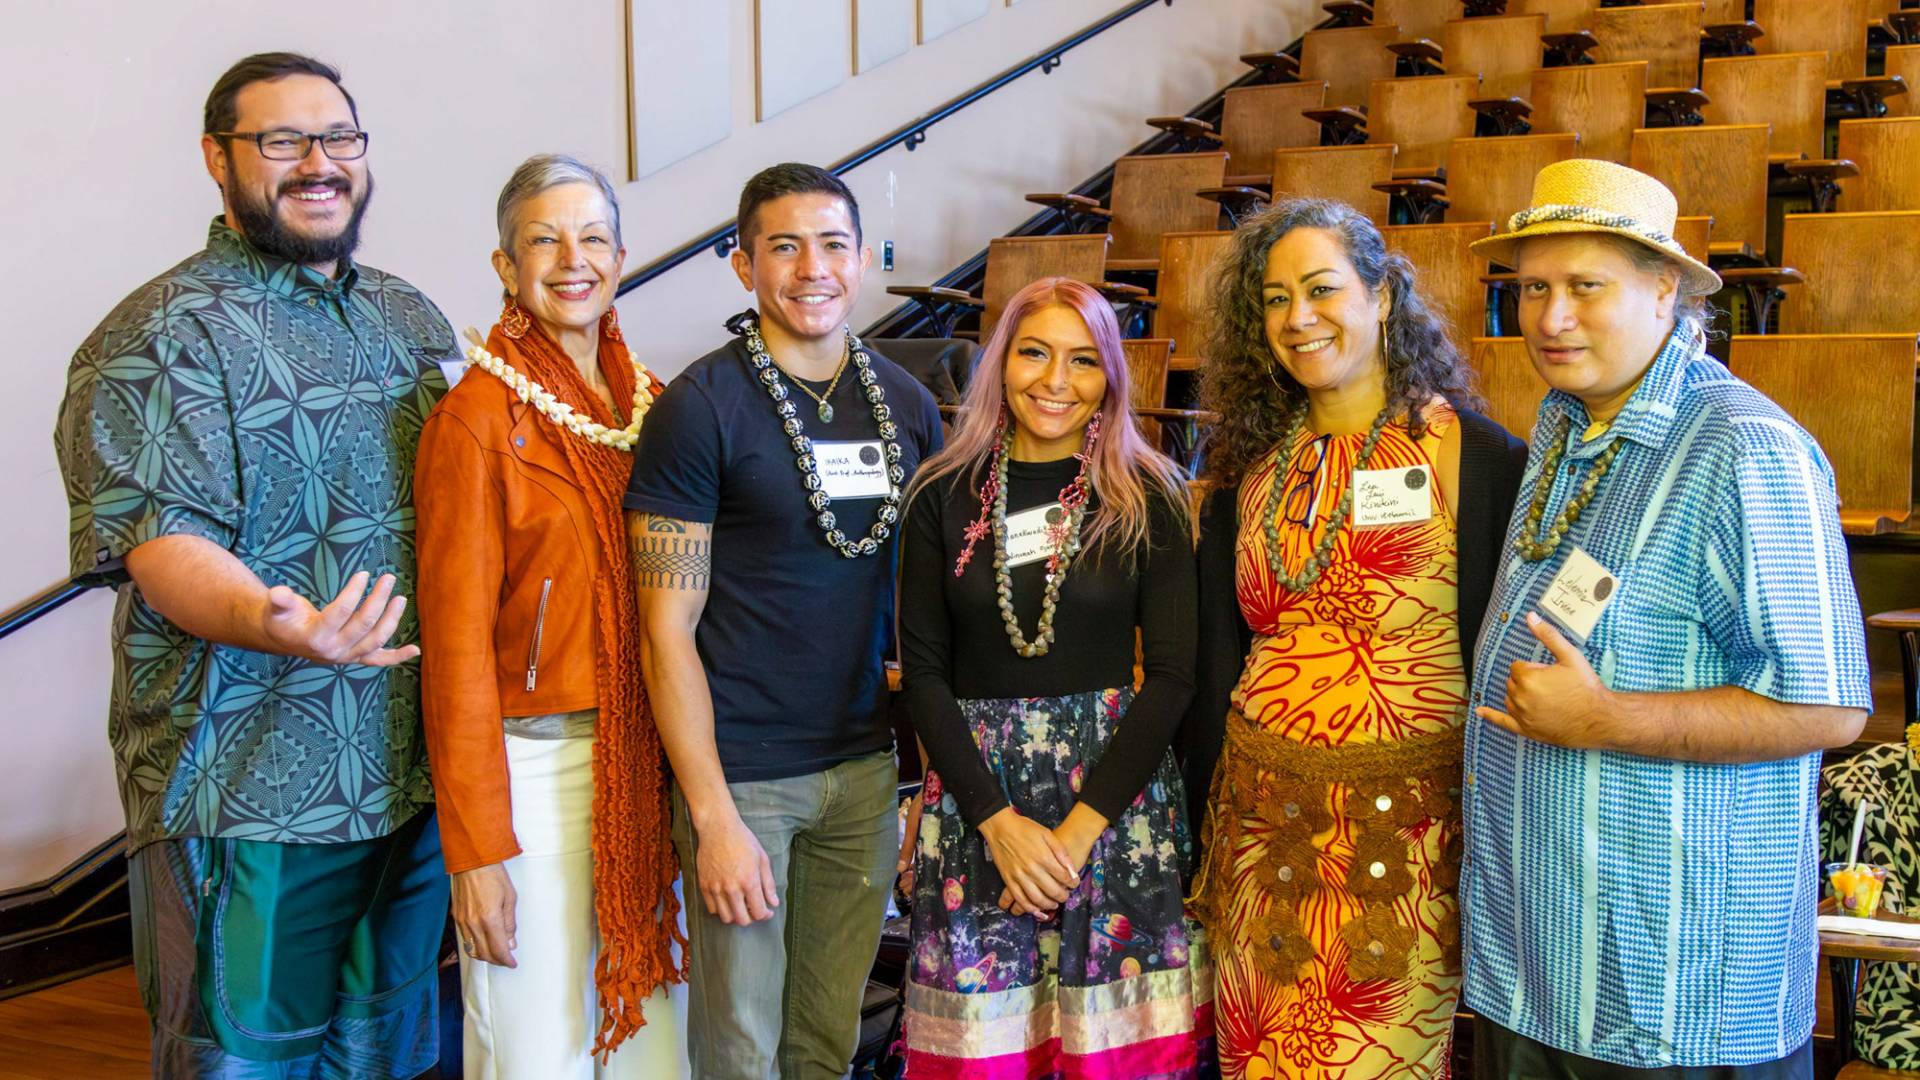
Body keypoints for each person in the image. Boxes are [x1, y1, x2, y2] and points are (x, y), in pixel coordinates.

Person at [52, 52, 454, 1075]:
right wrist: (280, 622)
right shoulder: (158, 334)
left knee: (389, 1052)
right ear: (217, 158)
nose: (318, 163)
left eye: (339, 139)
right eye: (282, 141)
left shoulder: (410, 319)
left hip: (411, 771)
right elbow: (163, 546)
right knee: (243, 1059)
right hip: (246, 788)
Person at [1460, 159, 1872, 1077]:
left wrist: (1608, 720)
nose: (1550, 317)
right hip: (1536, 970)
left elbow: (1832, 709)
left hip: (1671, 1001)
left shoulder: (1745, 447)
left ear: (1664, 289)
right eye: (1532, 288)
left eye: (1584, 287)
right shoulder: (1568, 423)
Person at [1183, 198, 1528, 1079]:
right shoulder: (1247, 467)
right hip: (1267, 843)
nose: (1298, 318)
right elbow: (1223, 653)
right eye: (1274, 298)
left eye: (1322, 289)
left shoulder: (1477, 457)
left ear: (1382, 297)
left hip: (1405, 855)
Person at [623, 162, 943, 1079]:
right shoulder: (699, 409)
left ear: (861, 259)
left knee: (827, 1040)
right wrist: (712, 813)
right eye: (786, 247)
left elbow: (926, 609)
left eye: (834, 245)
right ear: (743, 265)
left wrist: (924, 784)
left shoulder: (907, 405)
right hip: (748, 781)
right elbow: (666, 632)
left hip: (863, 773)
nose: (814, 268)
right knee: (740, 1047)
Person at [413, 154, 686, 1077]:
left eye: (594, 237)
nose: (574, 258)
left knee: (656, 1051)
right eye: (544, 238)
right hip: (538, 776)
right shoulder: (477, 418)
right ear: (504, 265)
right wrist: (476, 853)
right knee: (539, 1052)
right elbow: (451, 652)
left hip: (649, 764)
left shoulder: (654, 402)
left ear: (621, 255)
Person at [895, 277, 1210, 1076]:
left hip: (1111, 805)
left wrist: (1072, 837)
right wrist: (998, 822)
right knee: (987, 1053)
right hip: (978, 801)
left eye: (1083, 360)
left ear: (1112, 375)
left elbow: (1174, 677)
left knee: (1116, 1056)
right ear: (1001, 362)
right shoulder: (940, 492)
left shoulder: (1148, 495)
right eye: (1034, 353)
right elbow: (923, 673)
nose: (1056, 381)